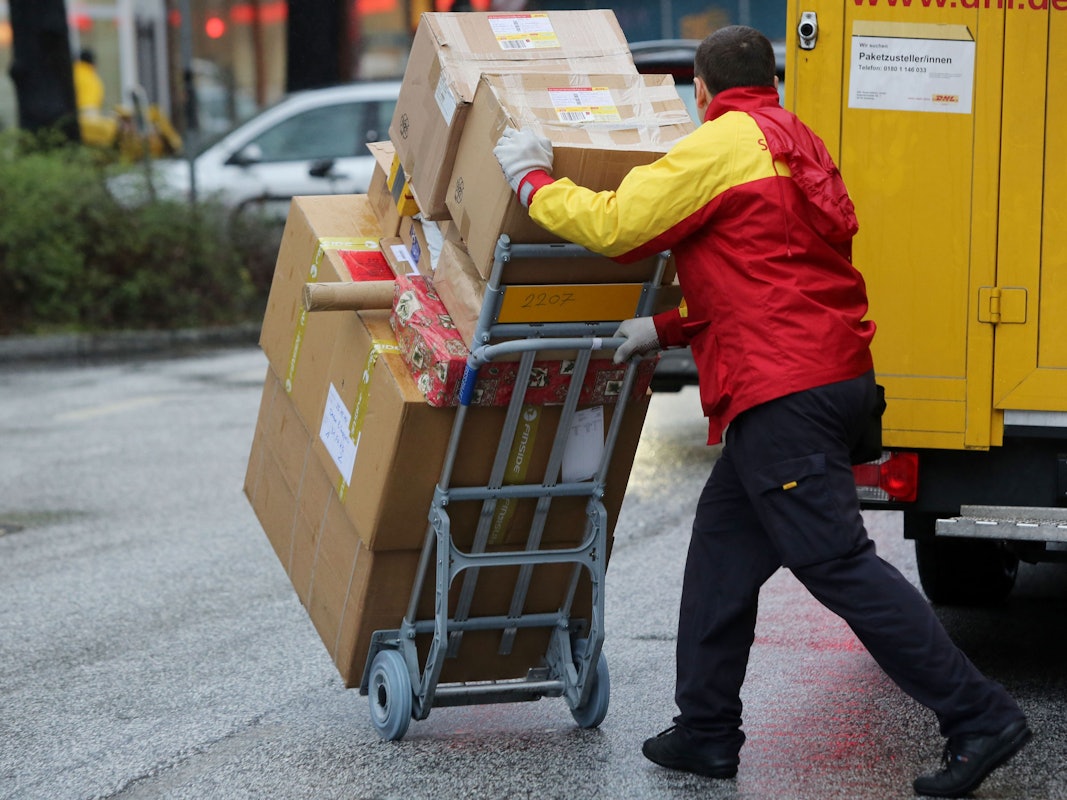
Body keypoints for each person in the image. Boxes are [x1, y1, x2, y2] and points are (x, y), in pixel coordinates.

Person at [493, 25, 1030, 799]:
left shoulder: (715, 146)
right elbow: (772, 272)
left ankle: (979, 716)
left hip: (783, 393)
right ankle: (705, 730)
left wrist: (531, 180)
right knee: (721, 553)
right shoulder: (797, 142)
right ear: (770, 81)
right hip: (830, 377)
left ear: (701, 90)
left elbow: (615, 227)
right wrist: (666, 328)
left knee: (836, 563)